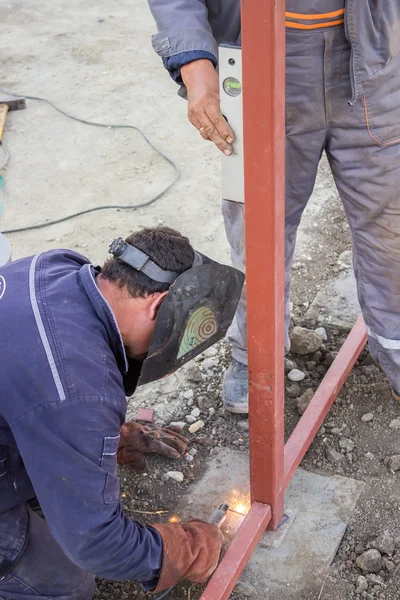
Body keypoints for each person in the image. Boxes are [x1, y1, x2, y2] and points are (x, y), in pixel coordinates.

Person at [147, 0, 400, 413]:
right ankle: (254, 356)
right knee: (258, 229)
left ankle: (396, 344)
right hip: (259, 56)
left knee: (391, 224)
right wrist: (194, 62)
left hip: (376, 58)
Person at [0, 226, 244, 599]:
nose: (169, 363)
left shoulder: (55, 268)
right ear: (159, 306)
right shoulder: (78, 389)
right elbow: (96, 543)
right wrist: (182, 550)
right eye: (171, 335)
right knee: (66, 584)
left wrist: (96, 437)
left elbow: (36, 388)